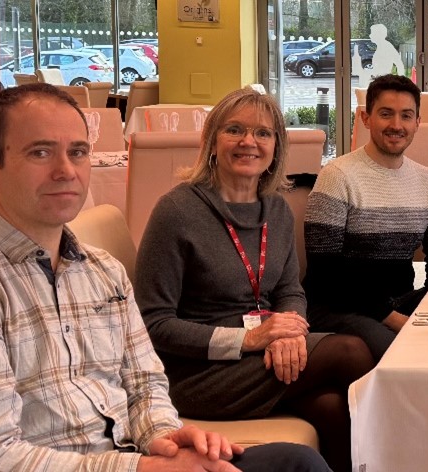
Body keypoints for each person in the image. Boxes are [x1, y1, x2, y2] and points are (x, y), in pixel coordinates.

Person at [0, 83, 326, 471]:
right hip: (114, 462)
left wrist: (167, 438)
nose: (65, 170)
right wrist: (146, 466)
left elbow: (145, 384)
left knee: (297, 463)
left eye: (77, 152)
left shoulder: (102, 271)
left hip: (130, 454)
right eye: (40, 153)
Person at [134, 87, 363, 471]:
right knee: (349, 351)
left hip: (261, 360)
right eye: (234, 130)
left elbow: (290, 289)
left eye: (263, 133)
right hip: (198, 374)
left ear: (276, 147)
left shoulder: (276, 208)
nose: (248, 142)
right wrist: (249, 338)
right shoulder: (176, 211)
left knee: (332, 408)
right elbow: (152, 325)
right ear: (211, 141)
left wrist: (287, 332)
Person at [304, 74, 428, 342]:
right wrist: (397, 320)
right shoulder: (337, 176)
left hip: (399, 301)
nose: (396, 125)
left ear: (417, 123)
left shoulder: (427, 181)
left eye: (406, 116)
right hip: (337, 306)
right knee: (397, 348)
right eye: (386, 114)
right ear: (366, 118)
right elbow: (325, 273)